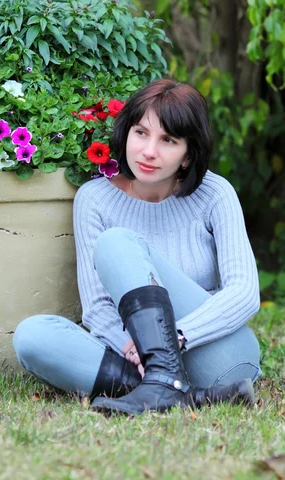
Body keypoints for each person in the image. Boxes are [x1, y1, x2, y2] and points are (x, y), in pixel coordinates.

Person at [13, 78, 261, 415]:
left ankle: (165, 380)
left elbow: (245, 291)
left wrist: (177, 337)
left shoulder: (216, 194)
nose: (149, 151)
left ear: (188, 155)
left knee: (117, 242)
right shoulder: (95, 199)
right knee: (32, 337)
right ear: (126, 132)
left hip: (218, 358)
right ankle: (184, 394)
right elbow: (98, 309)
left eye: (168, 140)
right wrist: (134, 348)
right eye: (141, 132)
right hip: (137, 357)